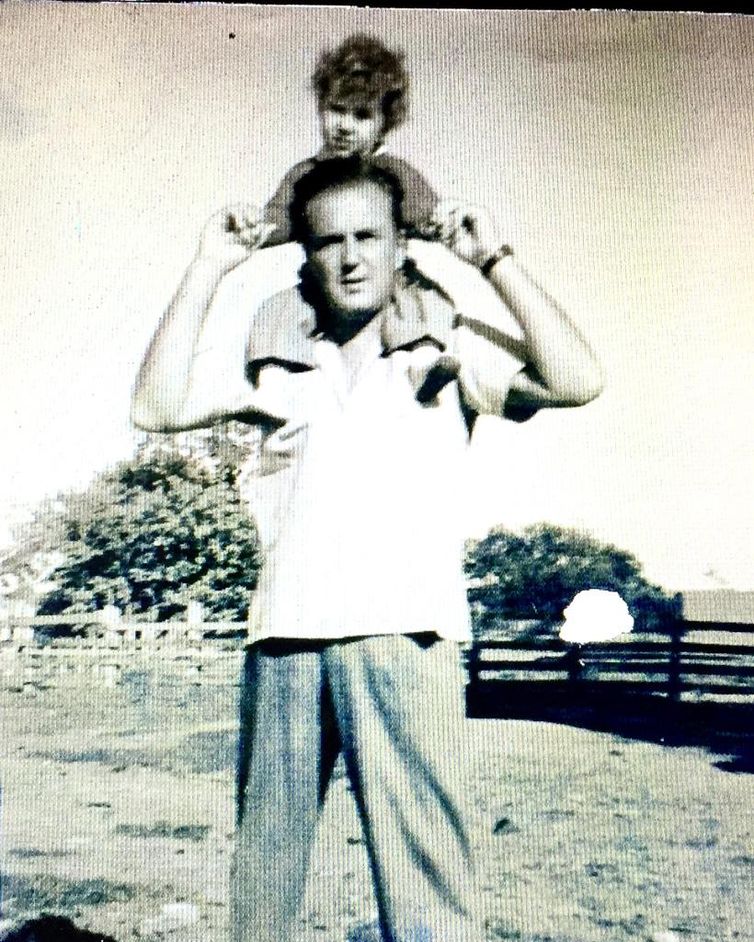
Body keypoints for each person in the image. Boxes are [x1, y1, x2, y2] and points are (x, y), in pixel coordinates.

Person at [131, 156, 603, 942]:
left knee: (427, 880)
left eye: (368, 237)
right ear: (305, 258)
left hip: (406, 633)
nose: (349, 257)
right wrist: (208, 266)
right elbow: (155, 405)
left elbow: (578, 377)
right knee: (265, 878)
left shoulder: (442, 342)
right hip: (284, 639)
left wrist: (494, 260)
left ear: (399, 247)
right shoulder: (274, 351)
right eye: (328, 242)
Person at [261, 33, 438, 247]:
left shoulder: (396, 173)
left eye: (361, 115)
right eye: (337, 109)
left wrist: (438, 223)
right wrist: (256, 230)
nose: (345, 126)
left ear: (385, 124)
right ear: (321, 108)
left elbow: (432, 220)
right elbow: (277, 220)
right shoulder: (304, 174)